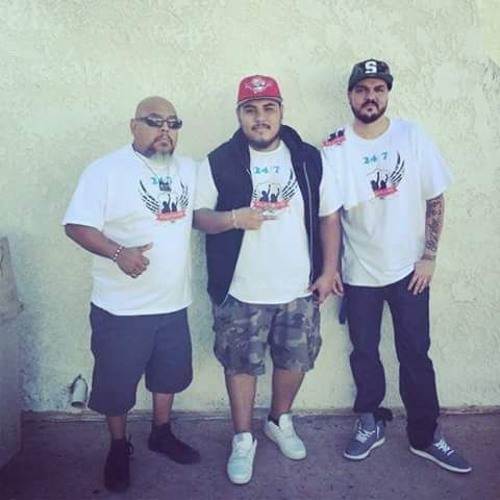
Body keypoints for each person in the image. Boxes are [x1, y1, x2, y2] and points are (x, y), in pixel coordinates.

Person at [321, 59, 471, 473]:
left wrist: (430, 257)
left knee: (415, 354)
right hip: (358, 271)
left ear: (387, 94)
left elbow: (435, 197)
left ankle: (425, 435)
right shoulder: (334, 145)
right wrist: (331, 267)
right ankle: (370, 422)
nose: (370, 97)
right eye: (362, 89)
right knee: (364, 352)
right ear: (350, 95)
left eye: (378, 89)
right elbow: (330, 214)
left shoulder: (412, 135)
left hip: (409, 271)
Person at [194, 75, 343, 484]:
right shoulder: (219, 160)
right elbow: (198, 217)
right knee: (240, 365)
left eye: (268, 108)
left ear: (280, 112)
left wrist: (329, 270)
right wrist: (233, 218)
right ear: (239, 114)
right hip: (240, 289)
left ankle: (279, 420)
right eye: (250, 110)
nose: (260, 118)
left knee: (295, 360)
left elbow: (329, 217)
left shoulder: (309, 159)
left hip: (299, 288)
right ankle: (243, 438)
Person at [63, 96, 200, 493]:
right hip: (120, 308)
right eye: (154, 121)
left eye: (173, 123)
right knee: (116, 387)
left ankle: (161, 432)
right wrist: (118, 253)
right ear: (133, 125)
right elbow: (76, 225)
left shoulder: (188, 169)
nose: (165, 130)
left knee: (167, 376)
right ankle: (119, 446)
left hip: (173, 303)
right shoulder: (105, 170)